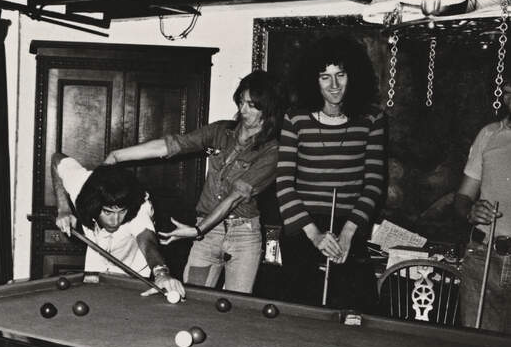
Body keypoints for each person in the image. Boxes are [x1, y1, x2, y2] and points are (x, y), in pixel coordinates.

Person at [103, 70, 283, 293]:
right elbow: (174, 144)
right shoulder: (220, 131)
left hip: (243, 235)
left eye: (252, 105)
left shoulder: (272, 151)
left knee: (237, 307)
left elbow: (235, 197)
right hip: (209, 233)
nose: (243, 110)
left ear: (268, 109)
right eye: (241, 102)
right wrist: (118, 155)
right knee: (193, 297)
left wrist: (198, 230)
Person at [275, 36, 386, 311]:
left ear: (354, 76)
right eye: (325, 77)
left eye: (341, 75)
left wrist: (348, 233)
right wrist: (314, 235)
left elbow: (374, 183)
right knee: (301, 314)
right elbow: (284, 184)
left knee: (354, 314)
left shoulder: (372, 118)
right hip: (304, 229)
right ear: (313, 80)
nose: (334, 86)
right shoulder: (295, 118)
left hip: (350, 226)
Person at [51, 152, 185, 300]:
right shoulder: (82, 186)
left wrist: (162, 274)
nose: (115, 221)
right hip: (96, 271)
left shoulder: (139, 207)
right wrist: (63, 208)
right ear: (94, 205)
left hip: (134, 277)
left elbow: (148, 242)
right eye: (108, 212)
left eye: (122, 212)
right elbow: (57, 160)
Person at [454, 82, 511, 334]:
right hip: (483, 259)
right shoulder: (488, 135)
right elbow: (463, 196)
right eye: (509, 90)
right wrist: (470, 210)